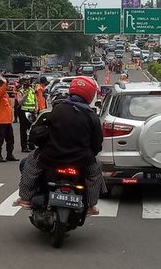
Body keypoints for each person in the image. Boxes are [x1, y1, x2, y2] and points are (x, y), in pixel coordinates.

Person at [14, 76, 104, 216]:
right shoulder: (92, 117)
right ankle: (92, 206)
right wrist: (90, 154)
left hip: (50, 156)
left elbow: (39, 131)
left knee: (30, 165)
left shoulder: (56, 109)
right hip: (81, 160)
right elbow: (97, 145)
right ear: (90, 94)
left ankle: (24, 198)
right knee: (95, 174)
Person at [0, 76, 19, 163]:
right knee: (0, 139)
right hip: (1, 121)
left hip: (7, 121)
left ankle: (9, 155)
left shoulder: (6, 94)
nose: (7, 86)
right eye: (5, 84)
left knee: (10, 139)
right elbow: (0, 93)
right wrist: (5, 84)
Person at [17, 77, 38, 152]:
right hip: (24, 112)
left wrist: (36, 107)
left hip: (32, 112)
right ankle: (24, 147)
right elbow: (20, 102)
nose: (27, 83)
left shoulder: (32, 90)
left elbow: (35, 99)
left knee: (32, 129)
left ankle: (31, 145)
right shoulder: (20, 91)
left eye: (28, 81)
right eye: (26, 82)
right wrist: (26, 94)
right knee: (23, 130)